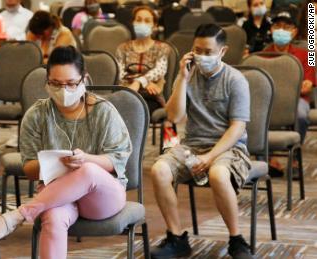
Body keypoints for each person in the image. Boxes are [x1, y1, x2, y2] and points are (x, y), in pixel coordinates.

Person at [0, 46, 132, 259]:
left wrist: (84, 160)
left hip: (102, 197)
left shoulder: (103, 111)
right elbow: (30, 169)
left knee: (87, 170)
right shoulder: (36, 115)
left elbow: (117, 160)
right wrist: (53, 164)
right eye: (56, 84)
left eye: (71, 84)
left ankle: (19, 215)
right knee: (52, 217)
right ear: (47, 82)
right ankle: (24, 214)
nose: (64, 90)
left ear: (84, 80)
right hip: (57, 196)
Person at [150, 24, 253, 259]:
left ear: (223, 51)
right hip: (192, 145)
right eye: (198, 50)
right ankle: (176, 238)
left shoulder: (235, 80)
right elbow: (174, 116)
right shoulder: (188, 75)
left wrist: (210, 157)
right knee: (159, 170)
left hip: (229, 148)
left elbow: (237, 128)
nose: (202, 56)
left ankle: (237, 240)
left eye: (208, 52)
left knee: (217, 174)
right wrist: (181, 78)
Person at [264, 11, 316, 174]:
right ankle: (267, 159)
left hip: (297, 101)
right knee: (256, 112)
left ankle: (295, 159)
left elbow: (307, 87)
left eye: (286, 27)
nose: (281, 30)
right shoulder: (261, 55)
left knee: (301, 115)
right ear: (271, 30)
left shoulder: (308, 55)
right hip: (270, 99)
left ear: (294, 31)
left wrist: (285, 89)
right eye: (277, 26)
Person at [116, 6, 170, 114]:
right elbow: (120, 75)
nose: (142, 23)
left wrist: (139, 82)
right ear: (133, 22)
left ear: (154, 26)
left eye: (147, 21)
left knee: (136, 110)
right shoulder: (122, 48)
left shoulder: (162, 48)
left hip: (151, 96)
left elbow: (159, 71)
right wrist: (145, 82)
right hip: (127, 94)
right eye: (139, 20)